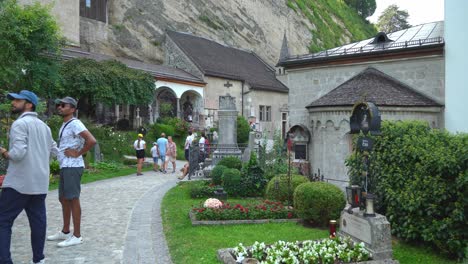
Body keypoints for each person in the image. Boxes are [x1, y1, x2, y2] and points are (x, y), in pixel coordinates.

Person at [0, 90, 57, 264]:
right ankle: (39, 259)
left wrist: (4, 152)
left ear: (29, 104)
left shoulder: (20, 124)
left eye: (18, 100)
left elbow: (17, 154)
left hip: (19, 183)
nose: (13, 103)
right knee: (38, 222)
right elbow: (55, 151)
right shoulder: (44, 126)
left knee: (3, 221)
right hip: (39, 183)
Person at [47, 96, 96, 248]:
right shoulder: (65, 124)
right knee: (63, 198)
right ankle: (66, 231)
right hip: (65, 165)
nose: (59, 107)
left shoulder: (75, 123)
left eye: (63, 105)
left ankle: (77, 236)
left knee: (73, 198)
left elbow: (91, 140)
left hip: (73, 166)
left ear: (73, 109)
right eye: (58, 105)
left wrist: (78, 153)